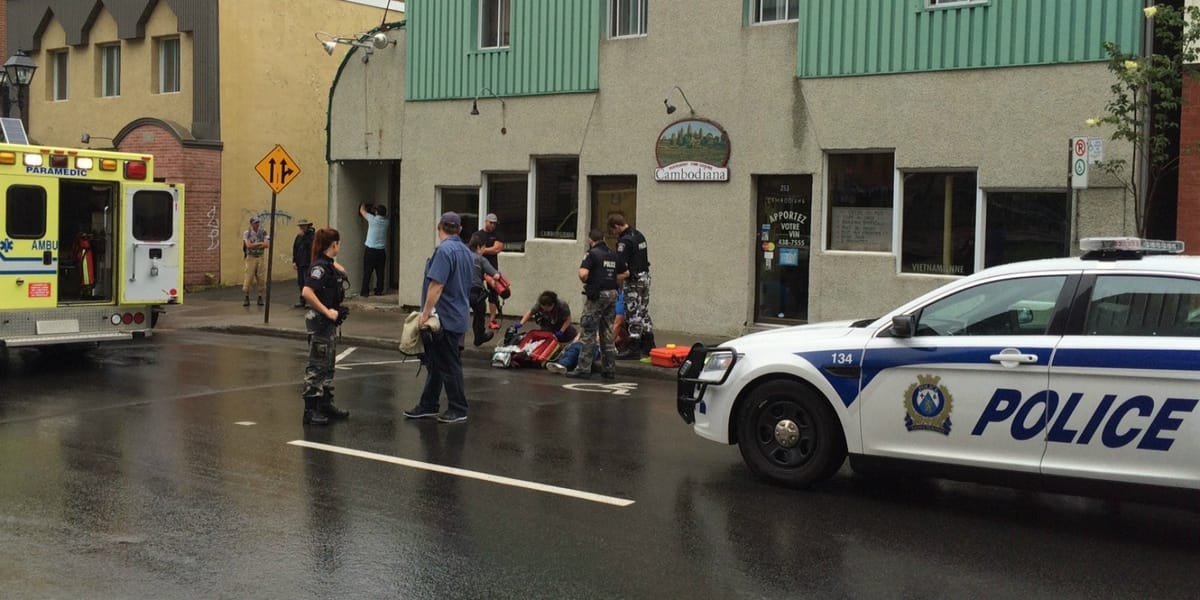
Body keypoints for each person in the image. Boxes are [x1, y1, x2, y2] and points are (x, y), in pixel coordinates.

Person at [404, 212, 475, 424]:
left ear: (439, 226)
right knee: (436, 363)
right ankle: (428, 404)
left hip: (444, 317)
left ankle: (458, 407)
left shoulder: (444, 251)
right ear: (460, 229)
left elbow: (437, 285)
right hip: (458, 314)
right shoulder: (465, 251)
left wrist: (425, 315)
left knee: (449, 363)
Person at [300, 228, 351, 426]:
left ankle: (325, 403)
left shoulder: (328, 264)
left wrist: (337, 267)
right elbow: (307, 291)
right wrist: (327, 311)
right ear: (334, 244)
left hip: (328, 324)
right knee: (317, 366)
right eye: (339, 243)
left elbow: (340, 273)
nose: (340, 246)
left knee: (328, 365)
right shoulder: (319, 267)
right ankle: (311, 409)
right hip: (320, 323)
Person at [567, 228, 627, 379]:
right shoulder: (613, 254)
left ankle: (583, 368)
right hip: (612, 294)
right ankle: (609, 369)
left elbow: (583, 274)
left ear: (591, 240)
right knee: (607, 331)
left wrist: (590, 279)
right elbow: (626, 273)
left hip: (597, 295)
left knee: (588, 331)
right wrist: (612, 278)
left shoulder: (591, 254)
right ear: (604, 239)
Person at [609, 213, 654, 358]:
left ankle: (634, 347)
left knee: (633, 313)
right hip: (645, 277)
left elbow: (622, 266)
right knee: (643, 311)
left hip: (634, 281)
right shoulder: (639, 235)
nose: (614, 233)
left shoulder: (624, 242)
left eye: (613, 230)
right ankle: (648, 344)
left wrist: (613, 278)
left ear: (616, 226)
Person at [509, 290, 577, 344]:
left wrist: (561, 331)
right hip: (547, 321)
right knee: (547, 337)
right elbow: (530, 313)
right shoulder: (540, 304)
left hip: (560, 321)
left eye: (547, 308)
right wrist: (521, 323)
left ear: (552, 305)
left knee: (566, 336)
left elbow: (568, 319)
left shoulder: (562, 305)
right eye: (543, 308)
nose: (544, 310)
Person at [473, 213, 504, 328]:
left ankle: (492, 319)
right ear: (486, 222)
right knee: (476, 290)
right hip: (477, 267)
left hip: (491, 268)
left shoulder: (497, 235)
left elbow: (497, 249)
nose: (492, 225)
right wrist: (484, 250)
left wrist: (481, 250)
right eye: (491, 223)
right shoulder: (477, 234)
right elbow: (473, 249)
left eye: (494, 224)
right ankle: (477, 316)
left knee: (493, 292)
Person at [467, 233, 498, 347]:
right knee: (479, 313)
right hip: (475, 291)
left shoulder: (463, 256)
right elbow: (495, 275)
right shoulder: (481, 259)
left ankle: (457, 342)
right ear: (479, 247)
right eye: (484, 247)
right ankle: (479, 337)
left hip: (461, 290)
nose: (484, 250)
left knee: (460, 315)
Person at [359, 203, 390, 297]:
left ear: (376, 212)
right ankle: (379, 290)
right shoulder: (386, 222)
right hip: (381, 251)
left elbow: (362, 211)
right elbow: (386, 216)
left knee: (367, 271)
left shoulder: (372, 219)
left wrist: (364, 204)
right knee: (380, 272)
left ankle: (365, 291)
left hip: (370, 250)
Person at [242, 216, 270, 307]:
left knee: (261, 277)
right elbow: (248, 246)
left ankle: (260, 296)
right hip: (251, 257)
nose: (257, 224)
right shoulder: (247, 233)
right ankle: (246, 296)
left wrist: (255, 244)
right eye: (255, 223)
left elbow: (266, 245)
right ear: (251, 224)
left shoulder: (263, 232)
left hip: (260, 256)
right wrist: (259, 244)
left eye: (258, 222)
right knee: (249, 276)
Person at [291, 219, 315, 308]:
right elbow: (295, 248)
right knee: (301, 282)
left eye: (303, 226)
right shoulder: (298, 237)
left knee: (308, 282)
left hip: (308, 263)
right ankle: (302, 300)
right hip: (300, 262)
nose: (301, 228)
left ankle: (310, 301)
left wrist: (304, 236)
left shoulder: (311, 236)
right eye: (300, 226)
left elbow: (310, 246)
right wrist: (294, 261)